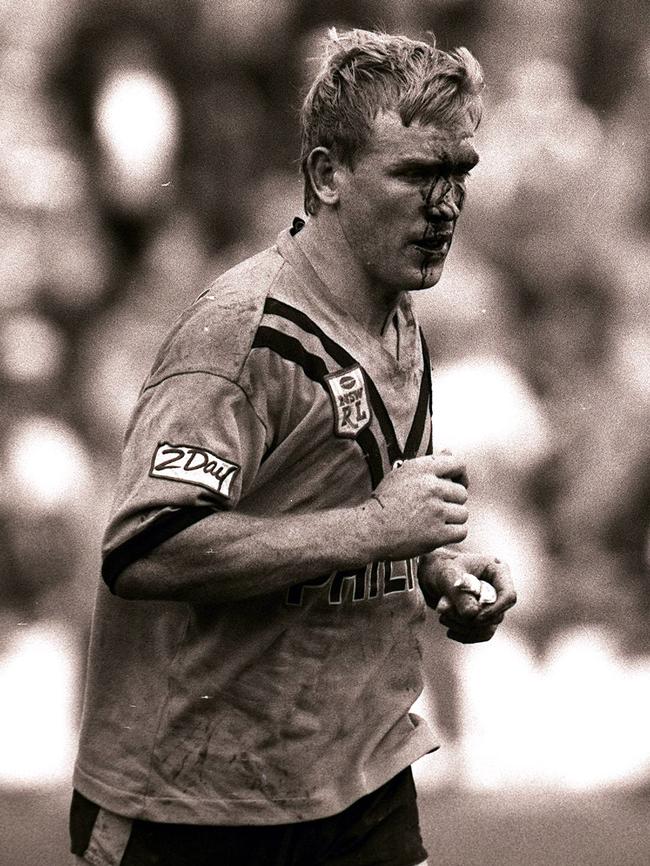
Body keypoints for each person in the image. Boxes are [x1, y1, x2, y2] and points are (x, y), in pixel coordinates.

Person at [70, 28, 516, 866]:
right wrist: (378, 531)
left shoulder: (397, 311)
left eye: (458, 173)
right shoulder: (242, 337)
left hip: (359, 772)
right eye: (417, 174)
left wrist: (433, 568)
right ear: (326, 176)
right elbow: (146, 548)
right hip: (201, 803)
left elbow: (333, 508)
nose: (445, 204)